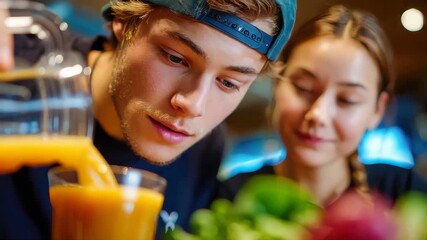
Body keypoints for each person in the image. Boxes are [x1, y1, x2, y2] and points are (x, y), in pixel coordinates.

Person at [0, 0, 297, 239]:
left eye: (228, 83)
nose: (193, 104)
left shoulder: (205, 148)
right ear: (123, 21)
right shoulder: (17, 71)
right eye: (175, 58)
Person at [221, 5, 427, 207]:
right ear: (277, 84)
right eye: (303, 88)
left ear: (377, 110)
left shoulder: (405, 194)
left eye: (347, 99)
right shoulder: (232, 199)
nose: (318, 114)